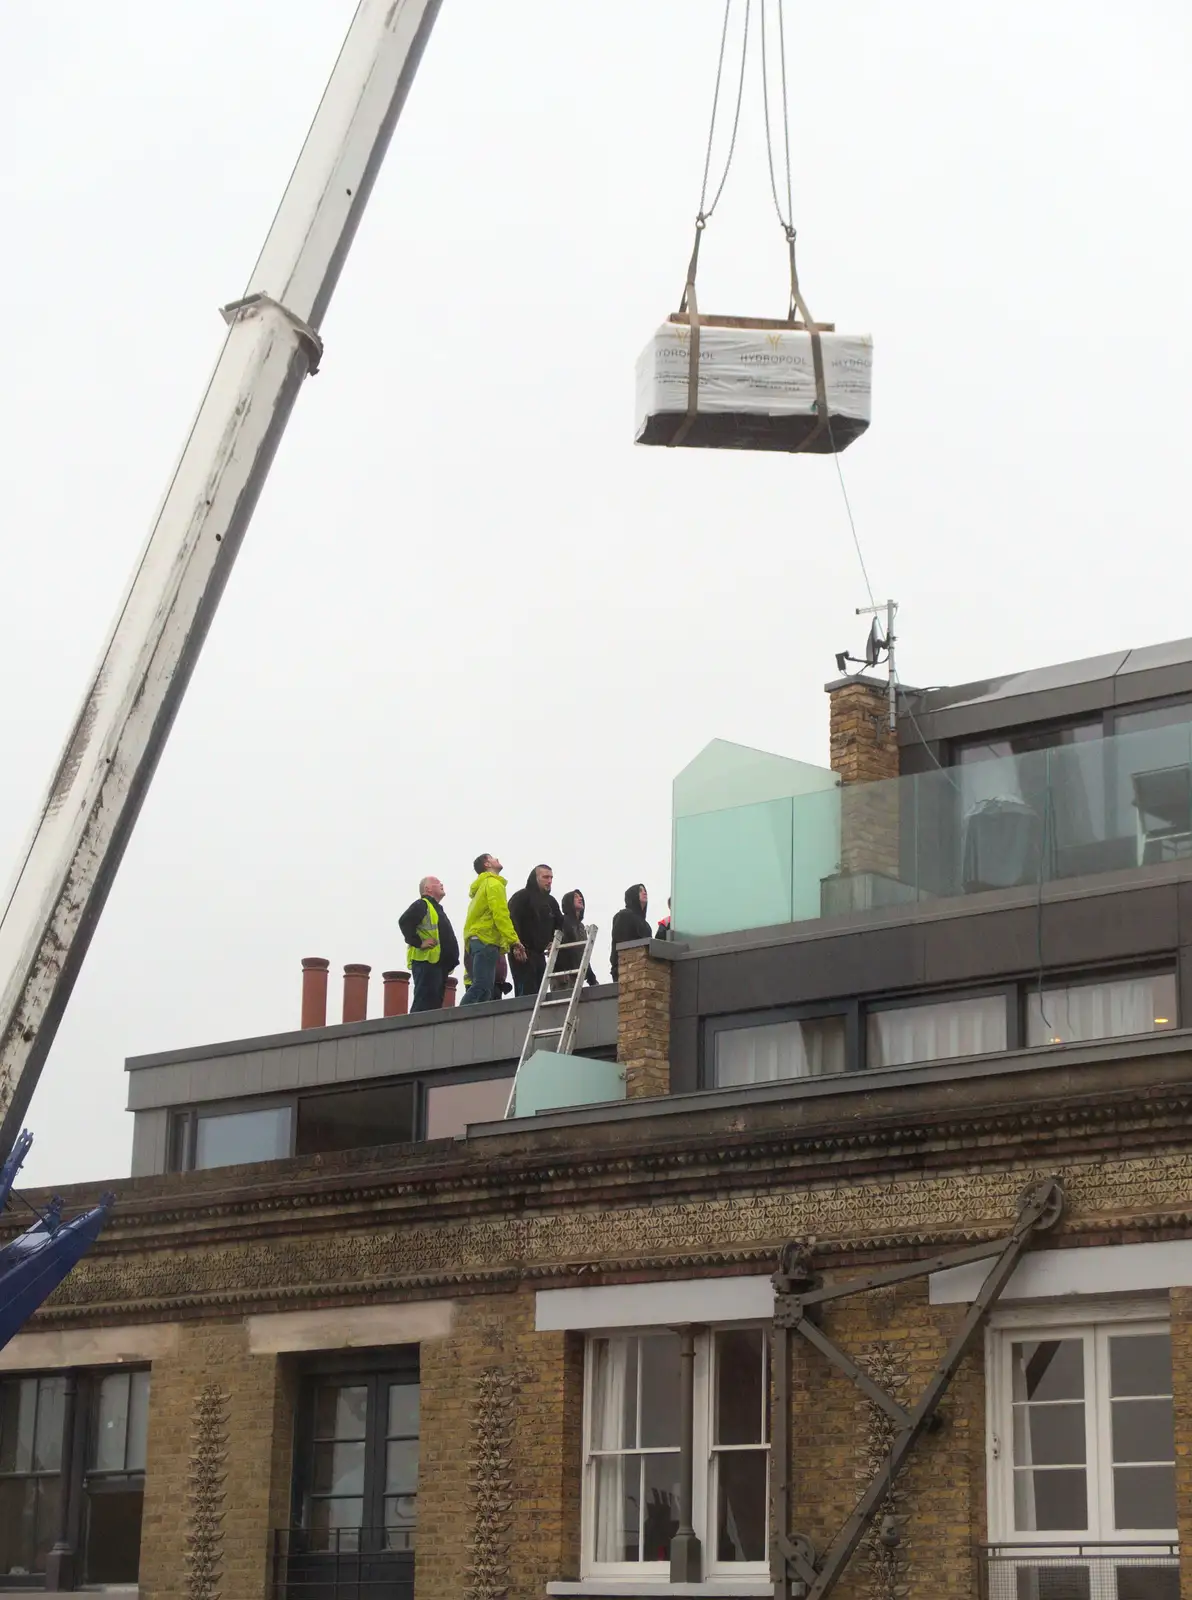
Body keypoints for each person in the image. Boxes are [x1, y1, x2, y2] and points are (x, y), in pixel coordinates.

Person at [460, 854, 524, 1005]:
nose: (497, 859)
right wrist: (514, 941)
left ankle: (473, 1022)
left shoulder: (482, 886)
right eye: (493, 858)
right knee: (482, 986)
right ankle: (457, 1019)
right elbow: (501, 914)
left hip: (477, 939)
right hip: (486, 939)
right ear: (487, 864)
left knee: (486, 988)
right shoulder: (493, 884)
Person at [398, 874, 460, 1012]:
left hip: (438, 964)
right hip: (426, 962)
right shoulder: (422, 904)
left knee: (434, 1005)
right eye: (437, 882)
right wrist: (419, 943)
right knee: (424, 1002)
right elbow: (404, 921)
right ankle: (416, 1032)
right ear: (427, 889)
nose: (441, 884)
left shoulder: (436, 908)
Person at [507, 864, 564, 997]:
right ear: (535, 878)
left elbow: (560, 924)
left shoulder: (551, 902)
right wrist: (515, 944)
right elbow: (510, 921)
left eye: (551, 878)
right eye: (545, 877)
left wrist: (554, 941)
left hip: (539, 954)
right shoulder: (521, 897)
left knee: (540, 994)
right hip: (521, 952)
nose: (549, 881)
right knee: (525, 995)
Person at [557, 889, 599, 985]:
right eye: (575, 896)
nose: (580, 898)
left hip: (576, 977)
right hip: (562, 976)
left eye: (580, 896)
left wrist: (591, 978)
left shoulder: (581, 927)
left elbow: (582, 953)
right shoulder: (562, 921)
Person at [610, 883, 652, 981]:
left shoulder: (646, 925)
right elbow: (621, 944)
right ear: (633, 895)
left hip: (643, 970)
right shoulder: (624, 915)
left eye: (645, 890)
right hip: (626, 970)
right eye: (640, 890)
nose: (644, 892)